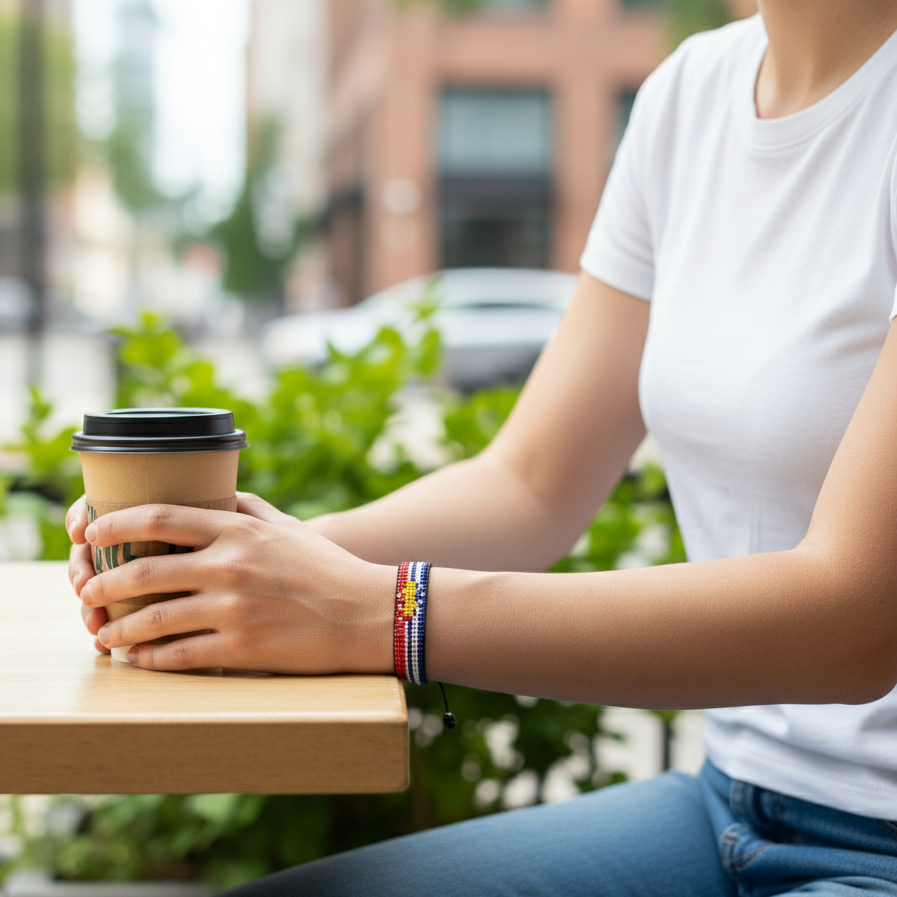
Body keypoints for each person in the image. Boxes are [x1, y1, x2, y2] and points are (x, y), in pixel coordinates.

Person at [67, 0, 897, 893]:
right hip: (728, 802)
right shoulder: (689, 96)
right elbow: (532, 483)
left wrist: (383, 613)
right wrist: (248, 564)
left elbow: (851, 620)